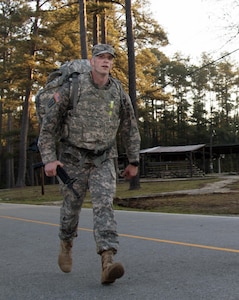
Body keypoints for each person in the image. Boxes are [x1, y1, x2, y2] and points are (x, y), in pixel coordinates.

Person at [38, 44, 141, 285]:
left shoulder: (117, 91)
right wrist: (49, 159)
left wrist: (133, 160)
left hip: (104, 158)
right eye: (100, 58)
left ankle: (107, 261)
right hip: (73, 159)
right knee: (71, 208)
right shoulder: (73, 87)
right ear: (91, 61)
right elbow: (49, 128)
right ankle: (66, 242)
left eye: (109, 58)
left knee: (104, 205)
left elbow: (129, 127)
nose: (105, 62)